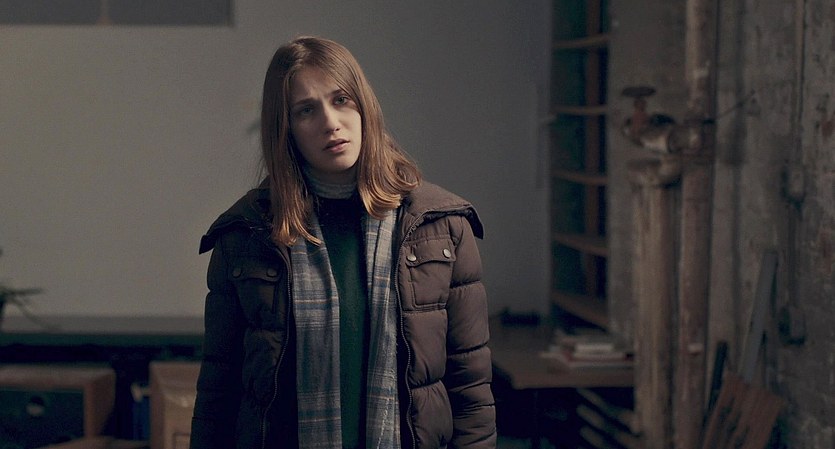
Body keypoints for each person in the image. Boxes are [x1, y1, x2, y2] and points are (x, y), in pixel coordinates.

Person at [189, 36, 496, 449]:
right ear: (286, 128)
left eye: (341, 100)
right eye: (306, 110)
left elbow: (471, 390)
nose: (330, 122)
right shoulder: (247, 234)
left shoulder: (440, 227)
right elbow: (219, 392)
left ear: (364, 106)